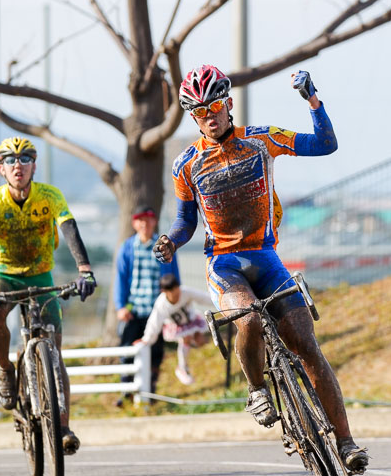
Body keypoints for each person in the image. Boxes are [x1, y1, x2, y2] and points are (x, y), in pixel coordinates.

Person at [153, 64, 369, 473]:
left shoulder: (261, 139)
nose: (209, 115)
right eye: (199, 112)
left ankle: (346, 443)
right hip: (224, 264)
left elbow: (325, 144)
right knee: (249, 319)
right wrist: (170, 240)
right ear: (193, 117)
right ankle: (256, 390)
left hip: (266, 257)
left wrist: (312, 99)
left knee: (307, 347)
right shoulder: (185, 165)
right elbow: (185, 222)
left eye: (214, 106)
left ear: (229, 103)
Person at [0, 136, 96, 455]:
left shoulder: (50, 196)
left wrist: (85, 270)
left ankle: (63, 426)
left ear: (34, 166)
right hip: (4, 275)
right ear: (1, 169)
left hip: (41, 273)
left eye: (25, 159)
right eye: (10, 161)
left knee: (54, 353)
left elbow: (69, 230)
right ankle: (6, 370)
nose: (18, 166)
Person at [114, 205, 179, 405]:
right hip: (134, 308)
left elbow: (173, 276)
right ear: (134, 223)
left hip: (156, 310)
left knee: (155, 352)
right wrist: (120, 306)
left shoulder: (162, 248)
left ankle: (150, 392)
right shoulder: (127, 247)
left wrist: (172, 303)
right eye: (141, 220)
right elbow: (121, 278)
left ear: (154, 222)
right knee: (127, 350)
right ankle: (126, 391)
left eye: (149, 220)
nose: (145, 224)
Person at [134, 274, 210, 386]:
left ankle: (190, 351)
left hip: (191, 321)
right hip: (176, 327)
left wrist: (220, 303)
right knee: (186, 337)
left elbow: (202, 298)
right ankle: (182, 368)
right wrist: (147, 339)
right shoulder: (161, 304)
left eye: (177, 290)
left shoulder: (185, 292)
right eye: (172, 293)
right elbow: (154, 323)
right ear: (164, 292)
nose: (176, 295)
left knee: (201, 341)